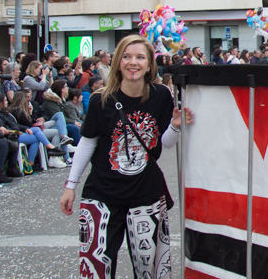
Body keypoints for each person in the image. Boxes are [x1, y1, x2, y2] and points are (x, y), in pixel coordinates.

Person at [60, 34, 194, 279]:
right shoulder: (102, 99)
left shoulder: (161, 95)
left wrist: (175, 125)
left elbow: (164, 144)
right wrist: (71, 185)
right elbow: (87, 143)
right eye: (127, 56)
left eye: (140, 57)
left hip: (146, 193)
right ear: (118, 62)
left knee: (149, 269)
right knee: (95, 269)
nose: (134, 63)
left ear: (149, 64)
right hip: (101, 194)